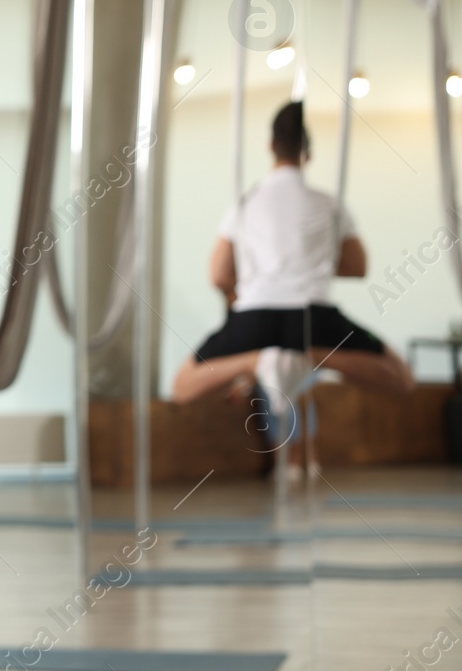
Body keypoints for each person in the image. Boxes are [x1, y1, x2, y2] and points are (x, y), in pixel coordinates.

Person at [171, 101, 415, 443]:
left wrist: (254, 280)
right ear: (308, 154)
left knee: (184, 384)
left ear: (271, 146)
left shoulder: (245, 203)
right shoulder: (329, 203)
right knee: (400, 375)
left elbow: (219, 273)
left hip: (255, 316)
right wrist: (310, 261)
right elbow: (358, 266)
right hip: (313, 317)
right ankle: (316, 356)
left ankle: (254, 362)